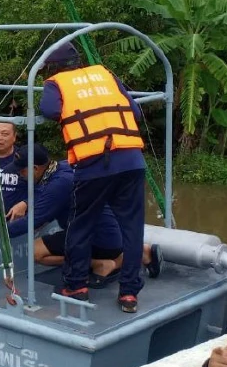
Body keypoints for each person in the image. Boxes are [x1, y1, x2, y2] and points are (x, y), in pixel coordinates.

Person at [40, 42, 148, 314]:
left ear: (53, 67)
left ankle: (76, 285)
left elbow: (49, 110)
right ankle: (129, 294)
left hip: (94, 164)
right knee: (132, 230)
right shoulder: (106, 74)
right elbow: (134, 112)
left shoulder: (56, 83)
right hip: (132, 160)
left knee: (81, 224)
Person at [0, 143, 163, 287]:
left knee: (35, 252)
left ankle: (103, 264)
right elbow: (45, 198)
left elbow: (31, 222)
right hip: (109, 231)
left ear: (35, 168)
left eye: (22, 170)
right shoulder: (63, 168)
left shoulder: (58, 186)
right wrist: (26, 203)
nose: (19, 174)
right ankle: (140, 252)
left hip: (98, 238)